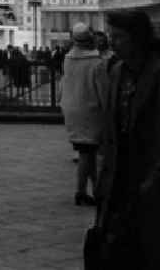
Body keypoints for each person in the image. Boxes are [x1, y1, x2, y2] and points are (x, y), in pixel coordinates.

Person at [94, 10, 160, 269]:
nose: (113, 42)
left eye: (119, 37)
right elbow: (110, 132)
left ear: (137, 38)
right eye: (111, 36)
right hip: (119, 183)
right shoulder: (116, 72)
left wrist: (154, 182)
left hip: (153, 184)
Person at [59, 23, 108, 206]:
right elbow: (102, 91)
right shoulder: (97, 63)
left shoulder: (68, 59)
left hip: (72, 109)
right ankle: (86, 191)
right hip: (92, 111)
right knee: (90, 153)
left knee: (86, 152)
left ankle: (90, 189)